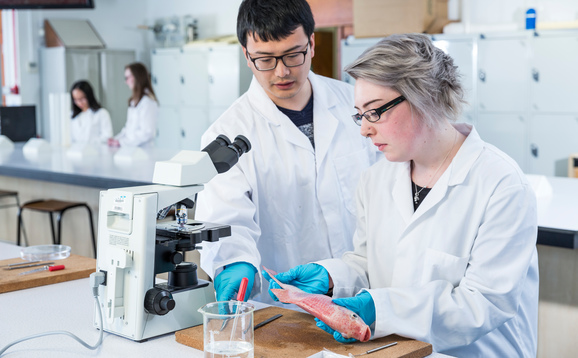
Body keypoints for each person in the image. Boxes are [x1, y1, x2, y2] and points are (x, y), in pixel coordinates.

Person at [265, 33, 539, 357]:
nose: (364, 129)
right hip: (396, 351)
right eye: (359, 114)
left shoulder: (501, 186)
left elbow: (482, 304)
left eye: (375, 111)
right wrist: (331, 278)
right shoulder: (376, 179)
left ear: (423, 97)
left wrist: (378, 309)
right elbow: (370, 264)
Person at [195, 0, 381, 305]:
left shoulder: (355, 105)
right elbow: (226, 222)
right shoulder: (224, 134)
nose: (282, 72)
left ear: (312, 43)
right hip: (285, 308)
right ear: (246, 54)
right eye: (265, 59)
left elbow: (390, 193)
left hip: (367, 293)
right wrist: (235, 264)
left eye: (293, 55)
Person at [108, 62, 158, 147]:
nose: (126, 81)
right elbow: (128, 128)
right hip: (132, 149)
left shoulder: (148, 102)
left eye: (127, 77)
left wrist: (122, 142)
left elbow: (146, 132)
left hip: (143, 151)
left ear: (137, 77)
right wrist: (117, 139)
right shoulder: (134, 101)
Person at [70, 80, 112, 145]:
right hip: (77, 152)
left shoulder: (101, 113)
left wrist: (89, 143)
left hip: (96, 152)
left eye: (82, 98)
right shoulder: (71, 115)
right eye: (76, 99)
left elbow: (107, 137)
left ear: (89, 96)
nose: (79, 102)